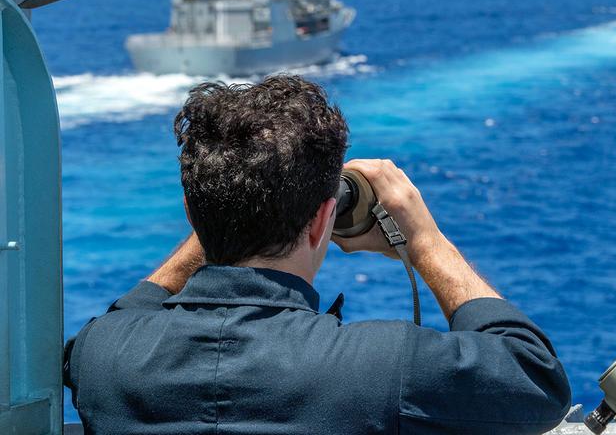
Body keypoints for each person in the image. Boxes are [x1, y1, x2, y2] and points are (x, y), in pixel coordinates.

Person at [64, 75, 572, 434]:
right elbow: (536, 379)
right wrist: (425, 242)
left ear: (191, 215)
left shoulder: (102, 357)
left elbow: (129, 314)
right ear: (323, 220)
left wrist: (228, 209)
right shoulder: (380, 367)